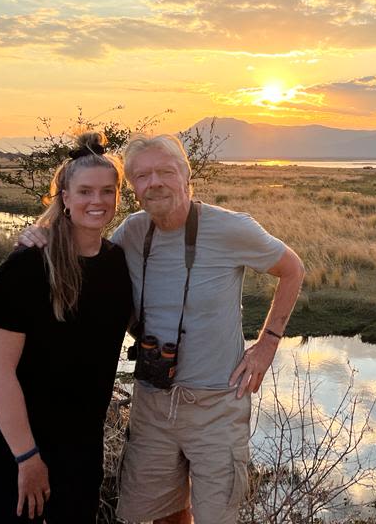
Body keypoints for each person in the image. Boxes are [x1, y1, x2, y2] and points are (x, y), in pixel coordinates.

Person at [20, 133, 305, 524]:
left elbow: (292, 269)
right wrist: (44, 236)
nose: (154, 182)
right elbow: (85, 257)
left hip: (216, 405)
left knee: (217, 516)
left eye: (165, 172)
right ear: (132, 189)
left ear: (187, 176)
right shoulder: (132, 233)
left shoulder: (230, 228)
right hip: (153, 401)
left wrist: (266, 344)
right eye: (142, 175)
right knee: (160, 514)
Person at [0, 132, 132, 523]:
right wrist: (27, 458)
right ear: (65, 197)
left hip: (79, 445)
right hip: (14, 444)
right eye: (86, 191)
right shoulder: (27, 267)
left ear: (118, 197)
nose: (98, 201)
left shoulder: (116, 264)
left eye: (107, 192)